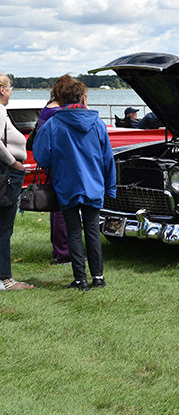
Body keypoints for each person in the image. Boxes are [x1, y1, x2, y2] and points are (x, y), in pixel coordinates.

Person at [33, 76, 116, 290]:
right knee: (92, 231)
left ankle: (80, 280)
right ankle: (98, 278)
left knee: (73, 232)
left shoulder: (53, 124)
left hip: (67, 184)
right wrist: (111, 187)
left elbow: (41, 157)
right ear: (82, 97)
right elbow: (108, 158)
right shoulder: (97, 123)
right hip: (93, 184)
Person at [0, 74, 33, 290]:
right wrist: (14, 163)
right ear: (2, 90)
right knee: (4, 227)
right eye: (10, 87)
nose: (12, 91)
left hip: (6, 172)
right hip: (7, 174)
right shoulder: (0, 110)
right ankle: (6, 279)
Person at [33, 83, 70, 265]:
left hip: (51, 162)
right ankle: (63, 252)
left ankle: (59, 249)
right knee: (62, 209)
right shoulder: (58, 112)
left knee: (57, 209)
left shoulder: (47, 109)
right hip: (59, 163)